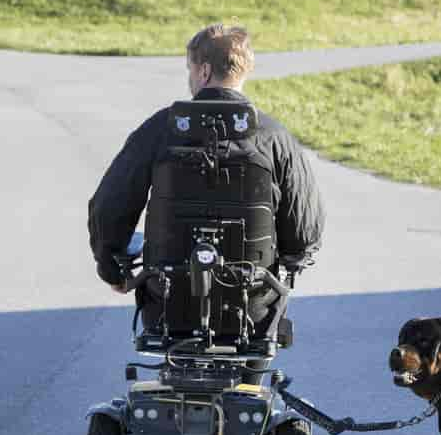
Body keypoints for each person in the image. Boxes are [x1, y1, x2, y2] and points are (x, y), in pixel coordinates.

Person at [88, 23, 324, 341]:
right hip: (251, 307)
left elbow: (107, 208)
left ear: (203, 71)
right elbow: (305, 230)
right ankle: (248, 383)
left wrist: (112, 270)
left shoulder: (159, 130)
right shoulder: (273, 136)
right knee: (260, 332)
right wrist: (287, 263)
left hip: (168, 302)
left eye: (189, 69)